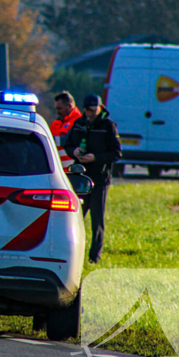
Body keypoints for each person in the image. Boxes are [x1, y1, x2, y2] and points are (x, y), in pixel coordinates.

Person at [63, 94, 121, 264]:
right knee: (75, 217)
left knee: (97, 219)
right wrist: (73, 152)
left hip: (100, 179)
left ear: (100, 108)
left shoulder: (109, 126)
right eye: (87, 110)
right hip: (80, 179)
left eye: (93, 110)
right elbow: (68, 144)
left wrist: (95, 157)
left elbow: (116, 153)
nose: (90, 113)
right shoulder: (79, 123)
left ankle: (94, 257)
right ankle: (72, 253)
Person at [50, 91, 83, 172]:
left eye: (60, 108)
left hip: (73, 171)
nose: (57, 112)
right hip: (57, 171)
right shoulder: (55, 124)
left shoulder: (80, 123)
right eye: (56, 109)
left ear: (69, 106)